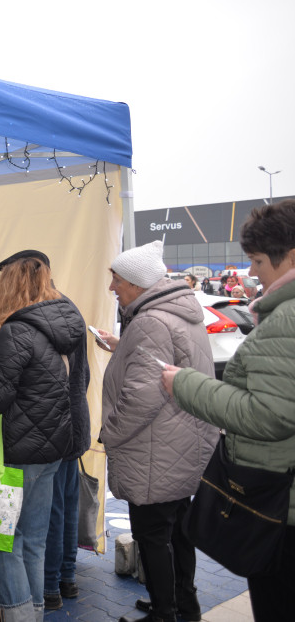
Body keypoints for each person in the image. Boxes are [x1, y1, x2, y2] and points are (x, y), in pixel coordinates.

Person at [162, 199, 295, 621]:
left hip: (278, 502)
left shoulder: (287, 319)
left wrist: (184, 384)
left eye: (257, 260)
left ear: (289, 256)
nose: (252, 272)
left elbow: (271, 416)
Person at [0, 255, 84, 622]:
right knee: (32, 541)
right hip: (51, 451)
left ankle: (20, 616)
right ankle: (34, 613)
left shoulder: (15, 331)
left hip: (17, 453)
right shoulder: (62, 326)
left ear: (9, 285)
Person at [93, 240, 218, 622]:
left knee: (152, 534)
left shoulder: (149, 321)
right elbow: (163, 367)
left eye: (116, 279)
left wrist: (108, 433)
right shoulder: (175, 313)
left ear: (136, 282)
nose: (112, 287)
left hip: (154, 449)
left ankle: (164, 612)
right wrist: (122, 346)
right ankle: (185, 603)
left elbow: (142, 397)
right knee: (178, 528)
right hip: (181, 443)